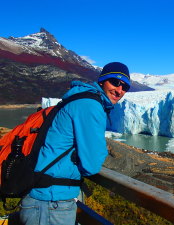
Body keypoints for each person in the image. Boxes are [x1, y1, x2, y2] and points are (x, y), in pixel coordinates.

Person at [19, 62, 131, 225]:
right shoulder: (91, 105)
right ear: (102, 81)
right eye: (115, 82)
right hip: (51, 202)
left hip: (42, 198)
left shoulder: (80, 98)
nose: (119, 90)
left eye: (125, 86)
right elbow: (92, 164)